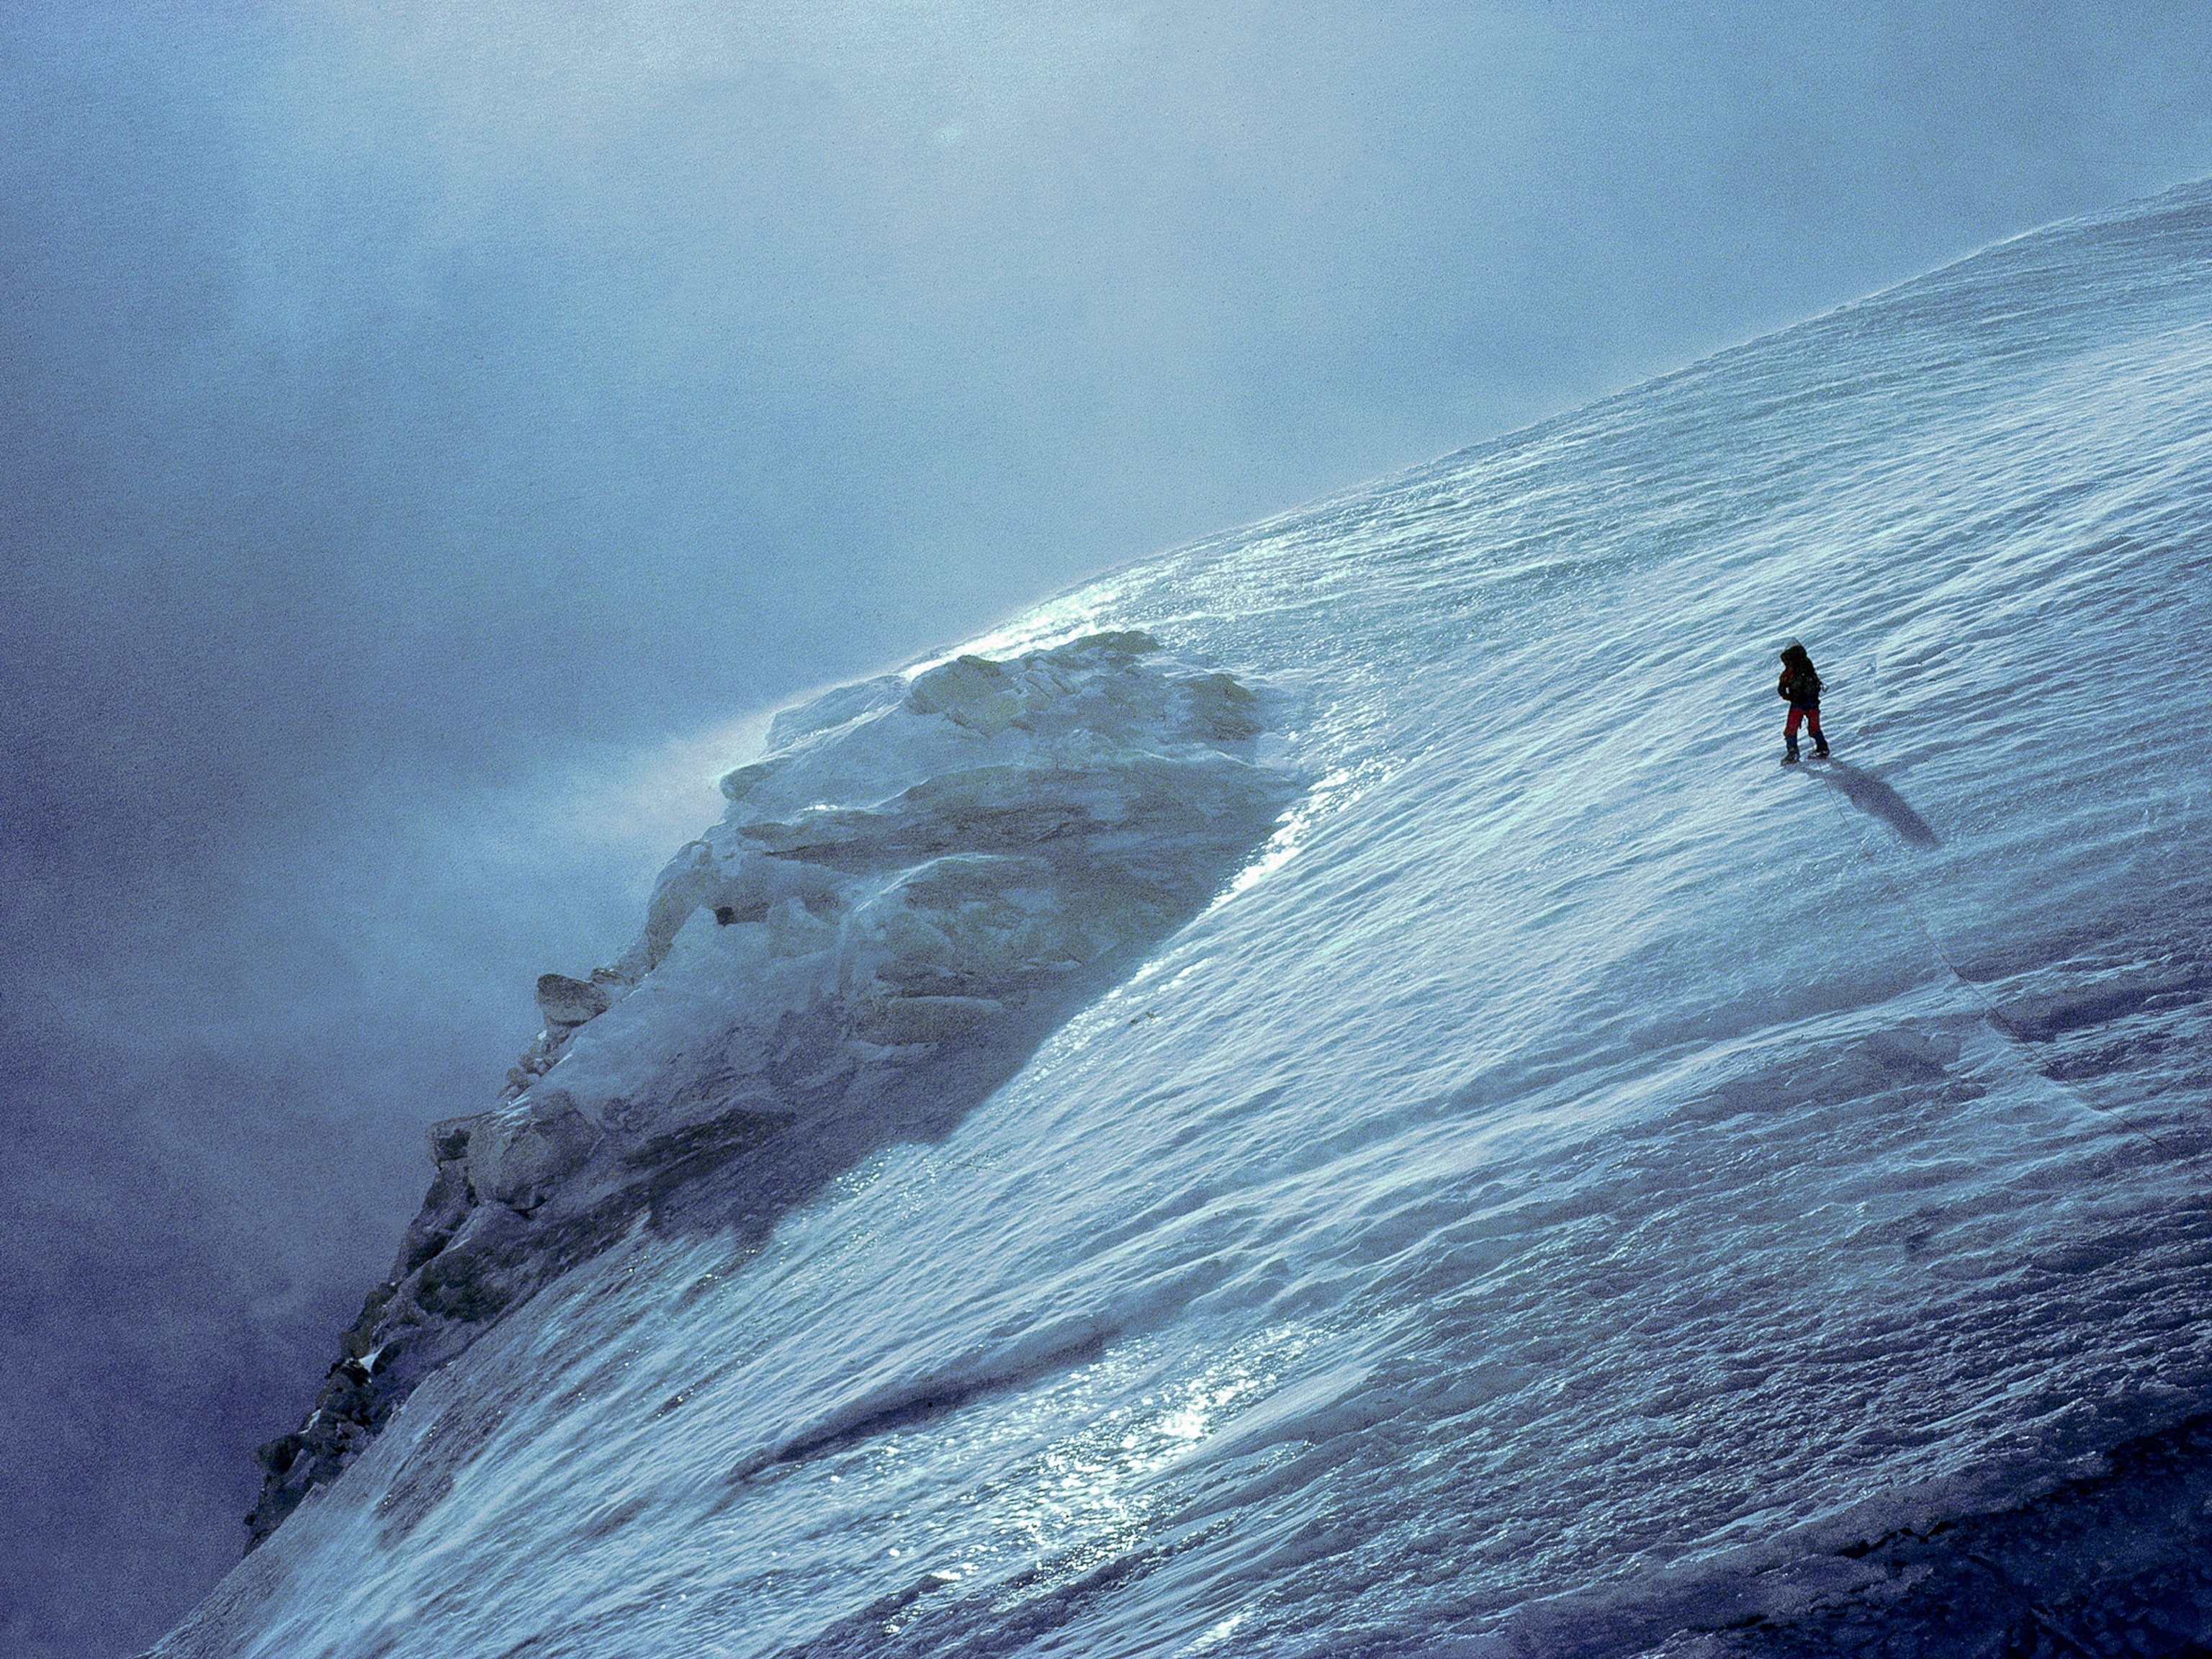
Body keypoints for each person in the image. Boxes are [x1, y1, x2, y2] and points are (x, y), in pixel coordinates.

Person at [1776, 642, 1829, 763]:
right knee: (1815, 727)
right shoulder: (1807, 664)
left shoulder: (1790, 668)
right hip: (1813, 703)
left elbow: (1781, 689)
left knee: (1791, 729)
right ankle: (1822, 748)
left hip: (1798, 704)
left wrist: (1790, 697)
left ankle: (1793, 752)